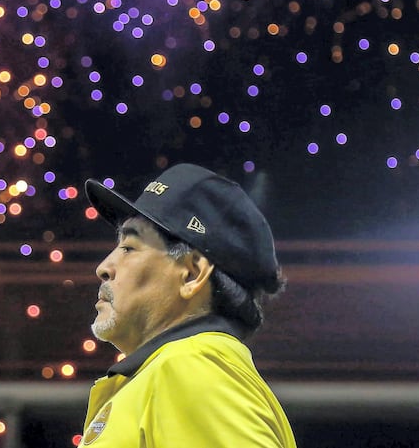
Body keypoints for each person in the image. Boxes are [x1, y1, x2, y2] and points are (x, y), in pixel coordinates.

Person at [79, 163, 296, 447]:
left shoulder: (190, 370)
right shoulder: (173, 373)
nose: (104, 267)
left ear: (192, 274)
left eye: (129, 248)